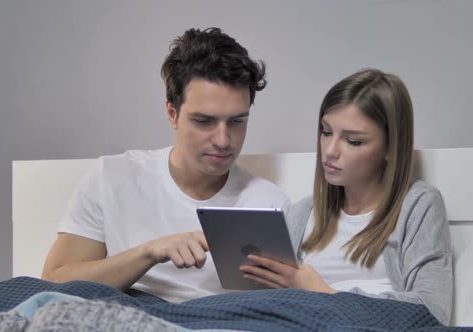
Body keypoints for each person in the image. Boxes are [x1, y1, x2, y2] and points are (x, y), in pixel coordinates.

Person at [41, 27, 290, 303]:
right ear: (173, 113)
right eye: (204, 121)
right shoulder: (112, 177)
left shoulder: (268, 204)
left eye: (236, 121)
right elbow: (54, 281)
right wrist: (150, 252)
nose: (223, 140)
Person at [239, 68, 453, 324]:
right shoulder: (302, 213)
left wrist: (325, 293)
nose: (329, 151)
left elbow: (432, 310)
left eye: (353, 141)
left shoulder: (419, 205)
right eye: (326, 132)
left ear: (390, 147)